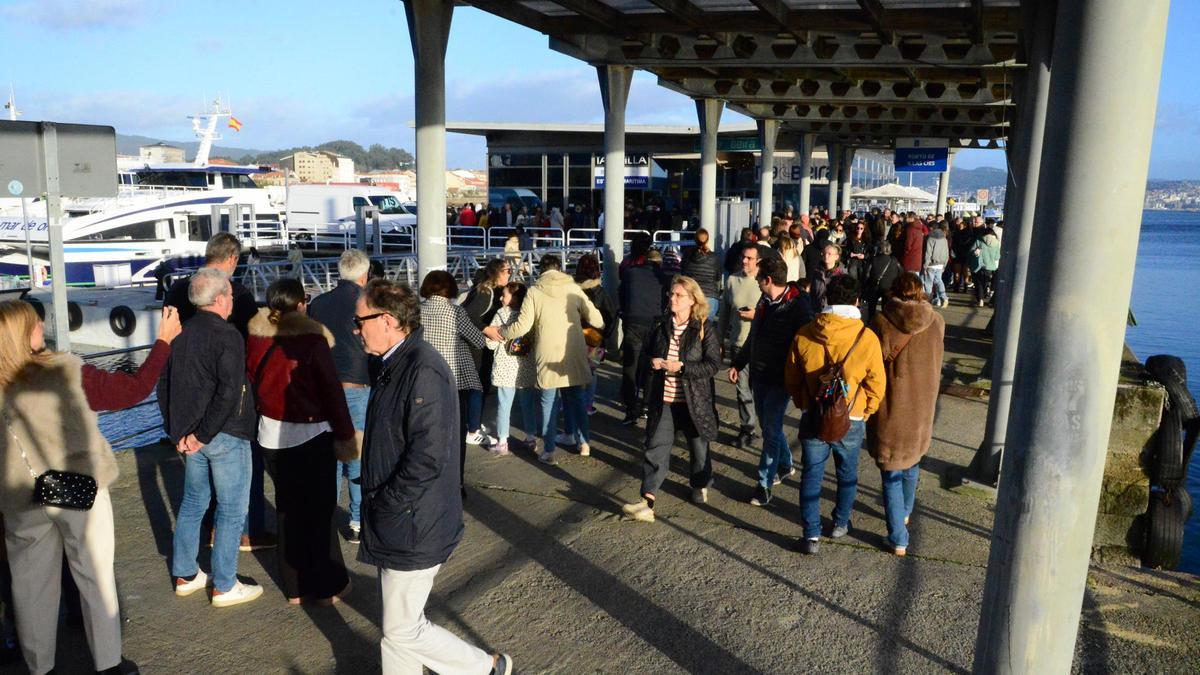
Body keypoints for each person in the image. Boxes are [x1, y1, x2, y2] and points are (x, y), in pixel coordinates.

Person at [352, 279, 513, 675]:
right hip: (402, 517)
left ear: (387, 320)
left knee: (403, 628)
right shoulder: (395, 362)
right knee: (398, 628)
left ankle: (486, 667)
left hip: (412, 518)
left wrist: (387, 501)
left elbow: (428, 456)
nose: (355, 330)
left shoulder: (421, 368)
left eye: (360, 321)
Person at [0, 301, 136, 675]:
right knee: (94, 575)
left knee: (30, 586)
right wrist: (163, 346)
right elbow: (130, 391)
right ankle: (108, 663)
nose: (41, 326)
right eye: (34, 324)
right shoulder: (65, 370)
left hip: (17, 497)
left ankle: (39, 666)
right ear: (22, 335)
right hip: (76, 488)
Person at [246, 279, 357, 604]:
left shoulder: (255, 337)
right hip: (311, 433)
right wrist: (346, 436)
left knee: (287, 509)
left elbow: (253, 378)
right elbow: (332, 393)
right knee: (319, 511)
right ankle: (328, 587)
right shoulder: (311, 339)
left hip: (270, 434)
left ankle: (294, 587)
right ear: (300, 305)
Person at [163, 232, 273, 552]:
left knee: (196, 493)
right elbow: (254, 338)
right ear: (232, 259)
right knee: (238, 482)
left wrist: (174, 425)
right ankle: (245, 534)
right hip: (228, 403)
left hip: (186, 397)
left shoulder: (177, 289)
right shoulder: (234, 293)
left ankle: (190, 560)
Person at [159, 268, 262, 606]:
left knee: (193, 504)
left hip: (189, 434)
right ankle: (225, 583)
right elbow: (230, 392)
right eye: (230, 295)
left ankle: (186, 574)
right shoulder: (228, 335)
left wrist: (179, 433)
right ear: (219, 299)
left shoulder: (181, 334)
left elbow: (164, 386)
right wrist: (202, 435)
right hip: (222, 434)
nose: (233, 300)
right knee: (232, 510)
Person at [785, 275, 886, 555]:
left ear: (827, 298)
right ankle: (841, 523)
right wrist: (866, 410)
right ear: (856, 301)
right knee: (847, 473)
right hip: (850, 417)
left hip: (814, 416)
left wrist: (804, 401)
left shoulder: (805, 333)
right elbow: (877, 382)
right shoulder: (866, 338)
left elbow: (792, 378)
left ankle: (811, 535)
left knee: (811, 475)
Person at [483, 255, 603, 464]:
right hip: (573, 350)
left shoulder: (535, 292)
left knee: (548, 402)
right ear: (559, 269)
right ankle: (583, 443)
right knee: (576, 398)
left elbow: (522, 327)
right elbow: (597, 320)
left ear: (541, 271)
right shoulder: (573, 288)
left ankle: (549, 451)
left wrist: (501, 330)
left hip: (547, 353)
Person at [622, 276, 721, 521]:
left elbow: (712, 365)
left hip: (693, 400)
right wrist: (652, 362)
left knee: (698, 446)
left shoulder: (704, 327)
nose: (673, 299)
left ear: (692, 300)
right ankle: (647, 501)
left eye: (679, 295)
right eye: (671, 294)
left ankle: (699, 484)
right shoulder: (660, 325)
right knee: (655, 446)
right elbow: (644, 355)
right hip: (663, 399)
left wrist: (683, 367)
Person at [868, 273, 945, 556]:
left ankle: (898, 538)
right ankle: (904, 513)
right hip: (922, 406)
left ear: (894, 293)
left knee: (890, 470)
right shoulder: (937, 322)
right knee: (912, 463)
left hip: (892, 408)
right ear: (921, 292)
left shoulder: (881, 322)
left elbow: (873, 365)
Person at [730, 258, 814, 506]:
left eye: (758, 278)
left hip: (781, 378)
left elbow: (806, 346)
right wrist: (739, 362)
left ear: (768, 280)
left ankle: (764, 484)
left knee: (770, 431)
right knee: (770, 427)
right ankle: (786, 464)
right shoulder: (764, 301)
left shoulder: (799, 307)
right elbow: (753, 337)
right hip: (759, 374)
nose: (755, 281)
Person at [308, 249, 373, 545]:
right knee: (357, 457)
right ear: (364, 274)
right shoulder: (366, 302)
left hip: (325, 388)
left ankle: (327, 515)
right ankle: (357, 520)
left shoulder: (318, 304)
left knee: (330, 458)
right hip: (357, 386)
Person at [419, 271, 491, 493]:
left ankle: (428, 483)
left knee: (426, 435)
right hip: (453, 382)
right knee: (455, 436)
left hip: (424, 380)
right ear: (450, 289)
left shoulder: (417, 312)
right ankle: (455, 484)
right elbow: (478, 340)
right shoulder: (455, 311)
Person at [163, 232, 257, 336]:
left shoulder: (177, 288)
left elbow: (167, 329)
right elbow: (254, 335)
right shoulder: (239, 293)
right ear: (232, 259)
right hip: (226, 350)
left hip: (181, 349)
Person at [716, 243, 763, 449]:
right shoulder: (732, 280)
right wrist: (719, 340)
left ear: (758, 261)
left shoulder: (765, 282)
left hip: (761, 346)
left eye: (749, 258)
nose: (744, 261)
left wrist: (757, 315)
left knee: (759, 391)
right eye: (743, 257)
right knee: (742, 390)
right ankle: (748, 428)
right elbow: (724, 313)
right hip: (738, 344)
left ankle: (766, 429)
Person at [485, 282, 539, 456]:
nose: (501, 298)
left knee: (504, 405)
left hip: (504, 367)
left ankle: (502, 442)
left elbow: (491, 344)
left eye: (504, 295)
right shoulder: (529, 316)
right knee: (528, 404)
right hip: (525, 366)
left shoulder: (501, 314)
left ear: (514, 298)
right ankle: (531, 437)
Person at [618, 235, 666, 425]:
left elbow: (621, 295)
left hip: (633, 322)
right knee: (650, 367)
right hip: (654, 324)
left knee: (630, 367)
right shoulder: (662, 277)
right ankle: (647, 405)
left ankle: (631, 409)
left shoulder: (630, 272)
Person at [573, 253, 617, 415]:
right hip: (595, 339)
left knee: (571, 372)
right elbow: (611, 316)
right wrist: (605, 336)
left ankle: (568, 402)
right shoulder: (600, 292)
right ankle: (587, 405)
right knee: (591, 373)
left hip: (573, 338)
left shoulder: (572, 291)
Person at [679, 228, 722, 322]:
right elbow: (718, 276)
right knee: (706, 327)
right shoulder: (714, 257)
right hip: (710, 295)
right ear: (707, 240)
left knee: (690, 327)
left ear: (695, 239)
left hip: (691, 294)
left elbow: (682, 272)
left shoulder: (687, 254)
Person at [862, 240, 902, 325]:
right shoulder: (894, 260)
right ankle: (884, 323)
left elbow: (866, 274)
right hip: (889, 287)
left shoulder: (873, 259)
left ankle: (871, 322)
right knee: (886, 308)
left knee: (872, 307)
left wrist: (865, 285)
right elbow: (901, 273)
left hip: (875, 286)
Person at [809, 242, 846, 312]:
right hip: (816, 310)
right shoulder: (817, 271)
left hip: (833, 311)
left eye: (829, 254)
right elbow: (812, 292)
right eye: (824, 253)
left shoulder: (841, 274)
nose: (826, 256)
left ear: (836, 256)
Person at [971, 227, 1001, 307]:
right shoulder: (996, 243)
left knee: (979, 283)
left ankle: (980, 300)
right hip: (991, 267)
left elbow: (972, 250)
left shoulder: (979, 240)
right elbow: (997, 257)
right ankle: (984, 295)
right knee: (985, 283)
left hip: (980, 265)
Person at [923, 223, 950, 307]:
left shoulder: (930, 238)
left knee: (928, 283)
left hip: (931, 263)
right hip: (941, 263)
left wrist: (925, 265)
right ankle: (944, 298)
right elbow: (946, 253)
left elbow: (928, 253)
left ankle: (928, 300)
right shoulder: (944, 239)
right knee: (939, 281)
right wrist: (944, 265)